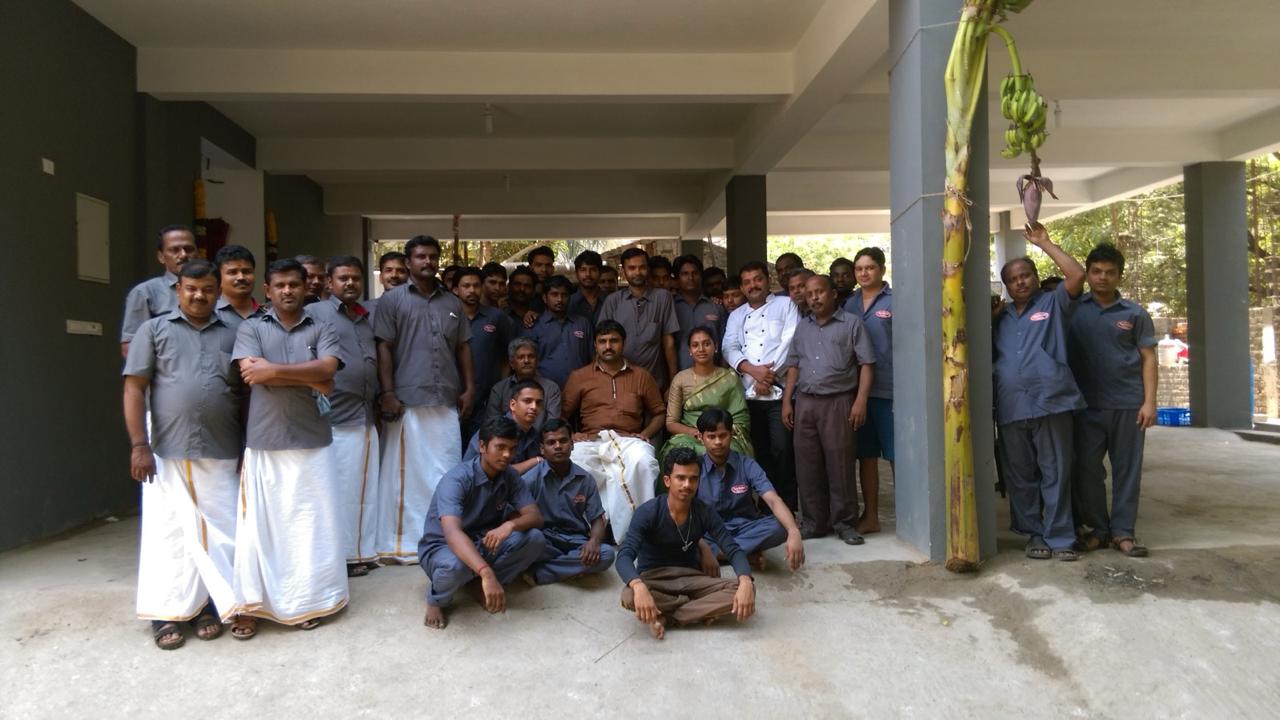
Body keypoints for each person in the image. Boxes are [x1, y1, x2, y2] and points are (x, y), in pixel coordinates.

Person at [123, 260, 242, 650]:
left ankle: (209, 605)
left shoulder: (234, 331)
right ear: (178, 290)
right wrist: (139, 445)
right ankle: (167, 612)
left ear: (218, 291)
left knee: (222, 531)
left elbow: (244, 393)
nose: (199, 296)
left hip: (222, 449)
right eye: (191, 288)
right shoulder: (154, 330)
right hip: (168, 451)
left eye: (207, 289)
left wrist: (247, 448)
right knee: (171, 533)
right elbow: (134, 388)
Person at [229, 258, 346, 638]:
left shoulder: (322, 326)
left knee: (309, 528)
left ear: (305, 286)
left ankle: (308, 601)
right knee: (261, 530)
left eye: (294, 284)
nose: (287, 291)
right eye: (279, 285)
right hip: (266, 441)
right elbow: (251, 374)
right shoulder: (251, 327)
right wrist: (310, 376)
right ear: (267, 290)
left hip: (313, 442)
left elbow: (328, 371)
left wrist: (274, 371)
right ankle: (252, 604)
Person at [373, 235, 476, 564]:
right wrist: (388, 392)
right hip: (407, 401)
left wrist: (469, 388)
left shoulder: (452, 303)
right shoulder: (392, 301)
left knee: (446, 470)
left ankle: (444, 538)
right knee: (406, 477)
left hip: (446, 400)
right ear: (408, 262)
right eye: (421, 256)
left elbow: (463, 347)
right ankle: (404, 543)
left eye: (433, 256)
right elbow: (384, 347)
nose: (428, 261)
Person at [992, 223, 1087, 562]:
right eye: (1013, 279)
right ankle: (1033, 533)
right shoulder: (999, 317)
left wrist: (1045, 243)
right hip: (1011, 405)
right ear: (1006, 286)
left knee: (1056, 472)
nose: (1020, 282)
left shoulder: (1053, 303)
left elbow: (1077, 275)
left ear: (1035, 277)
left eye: (1025, 276)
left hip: (1052, 402)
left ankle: (1061, 537)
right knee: (1020, 475)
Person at [1068, 243, 1157, 557]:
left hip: (1128, 404)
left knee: (1127, 470)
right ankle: (1098, 529)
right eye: (1096, 271)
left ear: (1119, 276)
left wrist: (1150, 402)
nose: (1102, 277)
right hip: (1085, 406)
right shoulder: (1073, 309)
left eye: (1109, 272)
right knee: (1086, 470)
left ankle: (1123, 532)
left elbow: (1148, 358)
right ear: (1088, 273)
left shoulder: (1135, 314)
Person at [418, 416, 546, 630]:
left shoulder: (509, 476)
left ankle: (477, 582)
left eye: (512, 449)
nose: (507, 455)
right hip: (444, 547)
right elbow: (452, 533)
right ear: (482, 446)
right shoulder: (456, 479)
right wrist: (486, 570)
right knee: (455, 565)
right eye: (500, 447)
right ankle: (436, 600)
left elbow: (535, 517)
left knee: (534, 539)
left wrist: (509, 526)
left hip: (483, 541)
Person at [616, 447, 756, 640]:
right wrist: (639, 587)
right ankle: (696, 610)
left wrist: (746, 580)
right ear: (667, 481)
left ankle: (668, 616)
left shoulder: (704, 512)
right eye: (680, 478)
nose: (687, 485)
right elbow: (624, 556)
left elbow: (732, 549)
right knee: (629, 595)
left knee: (746, 589)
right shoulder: (648, 512)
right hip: (654, 578)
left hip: (691, 578)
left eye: (693, 479)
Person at [782, 274, 876, 545]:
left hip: (838, 401)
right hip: (806, 402)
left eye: (820, 292)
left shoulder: (852, 324)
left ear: (833, 293)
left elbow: (867, 364)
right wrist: (788, 401)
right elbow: (793, 366)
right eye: (809, 294)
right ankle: (814, 523)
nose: (814, 298)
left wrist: (860, 401)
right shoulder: (803, 327)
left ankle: (845, 523)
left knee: (840, 463)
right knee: (807, 465)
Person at [306, 256, 381, 578]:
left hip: (365, 416)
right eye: (343, 278)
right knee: (335, 492)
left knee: (362, 491)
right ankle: (338, 555)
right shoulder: (315, 313)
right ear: (329, 282)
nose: (350, 283)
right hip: (334, 418)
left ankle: (358, 551)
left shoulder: (365, 316)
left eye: (355, 278)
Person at [561, 320, 665, 542]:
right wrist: (570, 435)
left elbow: (659, 413)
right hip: (590, 440)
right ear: (595, 345)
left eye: (614, 341)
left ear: (623, 343)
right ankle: (588, 533)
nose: (608, 346)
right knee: (575, 463)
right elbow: (561, 416)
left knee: (644, 462)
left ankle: (637, 533)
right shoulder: (579, 376)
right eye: (602, 341)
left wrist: (646, 433)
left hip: (629, 440)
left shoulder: (641, 376)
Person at [722, 261, 799, 509]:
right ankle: (766, 508)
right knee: (760, 453)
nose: (753, 285)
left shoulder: (786, 305)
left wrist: (768, 376)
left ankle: (788, 506)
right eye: (747, 282)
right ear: (742, 287)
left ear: (768, 280)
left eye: (757, 279)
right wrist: (754, 372)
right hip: (749, 394)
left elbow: (791, 342)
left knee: (783, 450)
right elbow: (729, 347)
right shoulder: (736, 315)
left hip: (779, 392)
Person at [695, 408, 804, 571]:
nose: (718, 442)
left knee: (781, 526)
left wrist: (794, 532)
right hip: (709, 533)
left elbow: (773, 500)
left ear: (732, 434)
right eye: (711, 436)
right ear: (700, 437)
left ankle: (721, 555)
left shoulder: (747, 465)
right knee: (682, 539)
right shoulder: (694, 468)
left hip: (745, 529)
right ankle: (744, 554)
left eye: (723, 435)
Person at [522, 420, 616, 585]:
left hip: (575, 540)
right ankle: (571, 567)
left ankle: (543, 572)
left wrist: (594, 542)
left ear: (572, 445)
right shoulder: (530, 479)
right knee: (528, 542)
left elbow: (597, 519)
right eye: (551, 442)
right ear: (542, 449)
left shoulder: (585, 479)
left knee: (607, 554)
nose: (558, 446)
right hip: (544, 540)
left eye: (563, 441)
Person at [844, 247, 893, 535]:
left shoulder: (895, 301)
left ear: (882, 270)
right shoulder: (849, 304)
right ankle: (871, 516)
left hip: (889, 390)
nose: (864, 273)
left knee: (897, 455)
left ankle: (909, 517)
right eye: (859, 268)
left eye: (870, 267)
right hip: (857, 393)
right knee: (866, 455)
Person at [660, 327, 752, 467]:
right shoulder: (680, 379)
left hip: (722, 436)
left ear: (716, 347)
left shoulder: (730, 378)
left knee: (732, 453)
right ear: (690, 350)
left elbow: (741, 419)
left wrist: (715, 434)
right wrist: (696, 433)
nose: (701, 349)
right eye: (695, 345)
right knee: (676, 454)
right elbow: (671, 423)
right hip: (689, 437)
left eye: (706, 344)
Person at [598, 247, 680, 390]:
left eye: (642, 267)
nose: (637, 272)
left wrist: (673, 382)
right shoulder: (613, 301)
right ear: (623, 271)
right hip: (618, 382)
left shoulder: (663, 298)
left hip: (653, 381)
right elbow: (601, 342)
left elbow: (668, 342)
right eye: (632, 268)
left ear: (648, 269)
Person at [454, 266, 513, 441]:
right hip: (453, 397)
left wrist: (500, 386)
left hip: (487, 400)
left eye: (476, 285)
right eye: (466, 286)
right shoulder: (447, 317)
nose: (472, 290)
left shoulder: (497, 317)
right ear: (456, 289)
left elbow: (508, 355)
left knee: (483, 446)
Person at [120, 225, 196, 358]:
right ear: (161, 257)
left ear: (197, 253)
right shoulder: (145, 293)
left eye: (189, 249)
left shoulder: (212, 291)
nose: (183, 255)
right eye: (175, 250)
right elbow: (131, 349)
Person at [521, 275, 593, 388]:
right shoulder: (534, 325)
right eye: (554, 294)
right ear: (545, 298)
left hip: (581, 388)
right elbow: (526, 362)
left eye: (564, 295)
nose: (560, 299)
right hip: (544, 389)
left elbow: (593, 358)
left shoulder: (583, 323)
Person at [464, 379, 546, 475]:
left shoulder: (535, 435)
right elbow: (496, 472)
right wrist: (535, 461)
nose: (534, 407)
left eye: (538, 403)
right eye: (527, 401)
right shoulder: (494, 429)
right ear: (513, 405)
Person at [485, 338, 562, 429]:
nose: (526, 361)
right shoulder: (499, 389)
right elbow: (493, 426)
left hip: (541, 437)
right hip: (507, 437)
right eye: (521, 357)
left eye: (531, 356)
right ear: (512, 364)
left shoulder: (551, 389)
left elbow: (552, 426)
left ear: (537, 361)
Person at [672, 254, 726, 370]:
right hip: (680, 375)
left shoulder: (716, 307)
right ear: (677, 279)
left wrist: (724, 375)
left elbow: (725, 345)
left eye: (695, 273)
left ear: (701, 276)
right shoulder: (670, 308)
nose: (691, 278)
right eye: (685, 274)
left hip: (714, 376)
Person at [213, 244, 262, 330]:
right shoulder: (209, 314)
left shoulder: (268, 316)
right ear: (218, 277)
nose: (241, 277)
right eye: (232, 272)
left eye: (246, 271)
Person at [568, 250, 606, 325]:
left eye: (593, 269)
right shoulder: (569, 302)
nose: (588, 274)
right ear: (576, 274)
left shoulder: (610, 301)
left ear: (600, 273)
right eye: (583, 270)